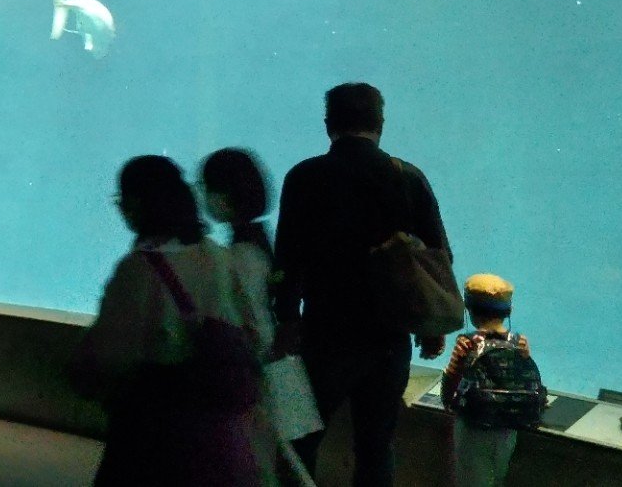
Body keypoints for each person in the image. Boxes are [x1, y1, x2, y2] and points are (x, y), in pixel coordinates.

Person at [274, 82, 452, 487]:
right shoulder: (408, 177)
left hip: (323, 335)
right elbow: (437, 256)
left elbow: (288, 258)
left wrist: (285, 320)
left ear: (327, 124)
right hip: (388, 338)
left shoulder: (304, 177)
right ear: (380, 123)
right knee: (376, 447)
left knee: (302, 440)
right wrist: (431, 326)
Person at [72, 155, 268, 486]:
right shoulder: (220, 257)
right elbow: (254, 332)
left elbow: (108, 355)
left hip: (155, 431)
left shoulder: (138, 270)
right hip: (223, 436)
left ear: (136, 204)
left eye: (123, 200)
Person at [203, 147, 307, 485]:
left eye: (208, 188)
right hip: (272, 372)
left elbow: (253, 324)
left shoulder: (241, 255)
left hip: (258, 378)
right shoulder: (256, 244)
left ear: (226, 195)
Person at [442, 275, 543, 487]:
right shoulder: (520, 342)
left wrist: (447, 400)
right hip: (509, 426)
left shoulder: (467, 342)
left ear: (469, 309)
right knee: (498, 475)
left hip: (474, 425)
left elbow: (452, 375)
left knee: (471, 477)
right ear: (509, 311)